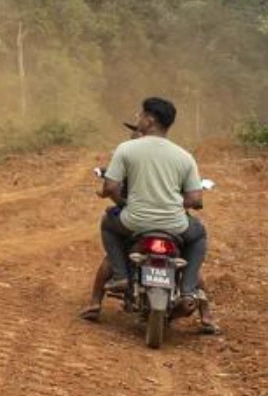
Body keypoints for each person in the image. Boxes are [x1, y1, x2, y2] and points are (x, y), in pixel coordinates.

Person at [83, 98, 217, 331]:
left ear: (150, 120)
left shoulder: (126, 149)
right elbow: (196, 200)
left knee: (108, 224)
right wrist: (175, 205)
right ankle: (187, 291)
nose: (138, 119)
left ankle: (121, 274)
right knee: (198, 236)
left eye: (140, 115)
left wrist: (123, 204)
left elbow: (111, 187)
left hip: (134, 221)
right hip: (175, 225)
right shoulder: (184, 156)